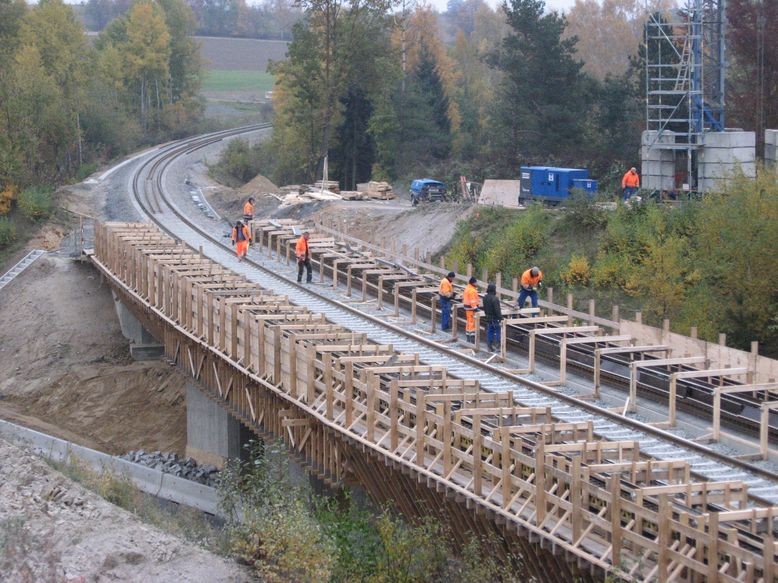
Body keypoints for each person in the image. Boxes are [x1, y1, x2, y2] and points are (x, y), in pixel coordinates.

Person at [482, 283, 502, 352]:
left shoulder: (485, 298)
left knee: (490, 331)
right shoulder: (495, 299)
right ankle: (497, 346)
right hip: (495, 318)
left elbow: (484, 308)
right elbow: (497, 310)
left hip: (488, 317)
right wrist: (501, 318)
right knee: (497, 331)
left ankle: (489, 346)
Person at [462, 277, 479, 344]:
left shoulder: (467, 288)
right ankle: (472, 338)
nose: (477, 283)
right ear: (473, 283)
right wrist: (475, 308)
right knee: (472, 323)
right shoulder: (472, 290)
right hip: (471, 309)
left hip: (467, 308)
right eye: (476, 282)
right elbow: (473, 301)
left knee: (469, 322)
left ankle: (468, 337)